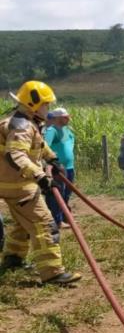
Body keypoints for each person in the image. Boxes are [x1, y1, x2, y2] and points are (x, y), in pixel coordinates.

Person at [0, 81, 81, 284]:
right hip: (18, 186)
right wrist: (41, 176)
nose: (49, 109)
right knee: (44, 224)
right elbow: (15, 155)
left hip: (11, 184)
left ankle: (13, 258)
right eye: (46, 104)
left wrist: (52, 158)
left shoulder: (24, 122)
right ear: (34, 104)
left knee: (22, 222)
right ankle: (52, 272)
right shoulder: (22, 126)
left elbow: (38, 145)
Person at [43, 107, 76, 229]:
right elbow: (45, 146)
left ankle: (64, 217)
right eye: (65, 117)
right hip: (57, 169)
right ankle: (56, 221)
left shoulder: (67, 130)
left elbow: (71, 141)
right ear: (57, 118)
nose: (68, 119)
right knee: (56, 195)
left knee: (66, 194)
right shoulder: (52, 131)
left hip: (69, 167)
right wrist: (53, 162)